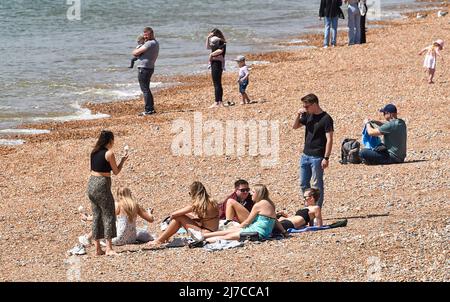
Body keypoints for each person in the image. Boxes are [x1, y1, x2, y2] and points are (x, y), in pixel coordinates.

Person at [188, 184, 287, 243]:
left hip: (257, 233)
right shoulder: (270, 204)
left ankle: (203, 239)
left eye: (253, 191)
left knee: (228, 236)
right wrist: (283, 231)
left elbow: (248, 221)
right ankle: (203, 236)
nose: (251, 193)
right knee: (231, 231)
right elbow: (275, 221)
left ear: (259, 193)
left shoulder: (258, 205)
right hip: (263, 232)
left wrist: (239, 227)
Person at [87, 130, 128, 256]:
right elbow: (115, 172)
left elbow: (93, 168)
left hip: (91, 183)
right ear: (110, 140)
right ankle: (109, 248)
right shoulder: (109, 153)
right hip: (102, 184)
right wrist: (122, 160)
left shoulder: (94, 152)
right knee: (109, 213)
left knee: (96, 215)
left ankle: (98, 248)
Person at [293, 93, 334, 209]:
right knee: (303, 183)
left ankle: (317, 209)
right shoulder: (308, 115)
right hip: (305, 155)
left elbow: (329, 139)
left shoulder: (326, 119)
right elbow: (295, 126)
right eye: (304, 106)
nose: (305, 108)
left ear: (314, 104)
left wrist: (326, 158)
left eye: (307, 106)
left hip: (317, 157)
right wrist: (298, 115)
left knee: (317, 185)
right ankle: (308, 207)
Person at [147, 181, 219, 246]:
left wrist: (169, 221)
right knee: (187, 215)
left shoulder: (196, 205)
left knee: (179, 217)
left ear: (193, 193)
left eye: (190, 193)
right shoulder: (212, 202)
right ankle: (165, 237)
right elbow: (207, 219)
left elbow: (173, 214)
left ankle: (159, 240)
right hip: (213, 231)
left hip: (203, 234)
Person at [79, 187, 155, 247]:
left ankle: (87, 238)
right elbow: (151, 219)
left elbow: (102, 216)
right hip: (131, 239)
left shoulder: (117, 205)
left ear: (118, 195)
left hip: (118, 239)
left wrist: (87, 218)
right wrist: (149, 212)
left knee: (104, 222)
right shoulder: (135, 205)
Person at [132, 27, 159, 116]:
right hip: (149, 67)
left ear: (151, 34)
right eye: (144, 35)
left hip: (144, 68)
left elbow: (135, 53)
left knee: (145, 89)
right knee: (146, 89)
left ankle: (148, 110)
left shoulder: (149, 44)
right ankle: (150, 109)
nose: (145, 37)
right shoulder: (155, 43)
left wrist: (137, 48)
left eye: (146, 35)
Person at [206, 28, 227, 108]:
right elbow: (208, 47)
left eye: (212, 35)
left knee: (217, 83)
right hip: (214, 63)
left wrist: (211, 55)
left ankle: (217, 102)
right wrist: (207, 38)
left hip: (217, 63)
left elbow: (220, 51)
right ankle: (219, 102)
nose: (211, 37)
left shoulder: (220, 41)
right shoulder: (215, 42)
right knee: (217, 83)